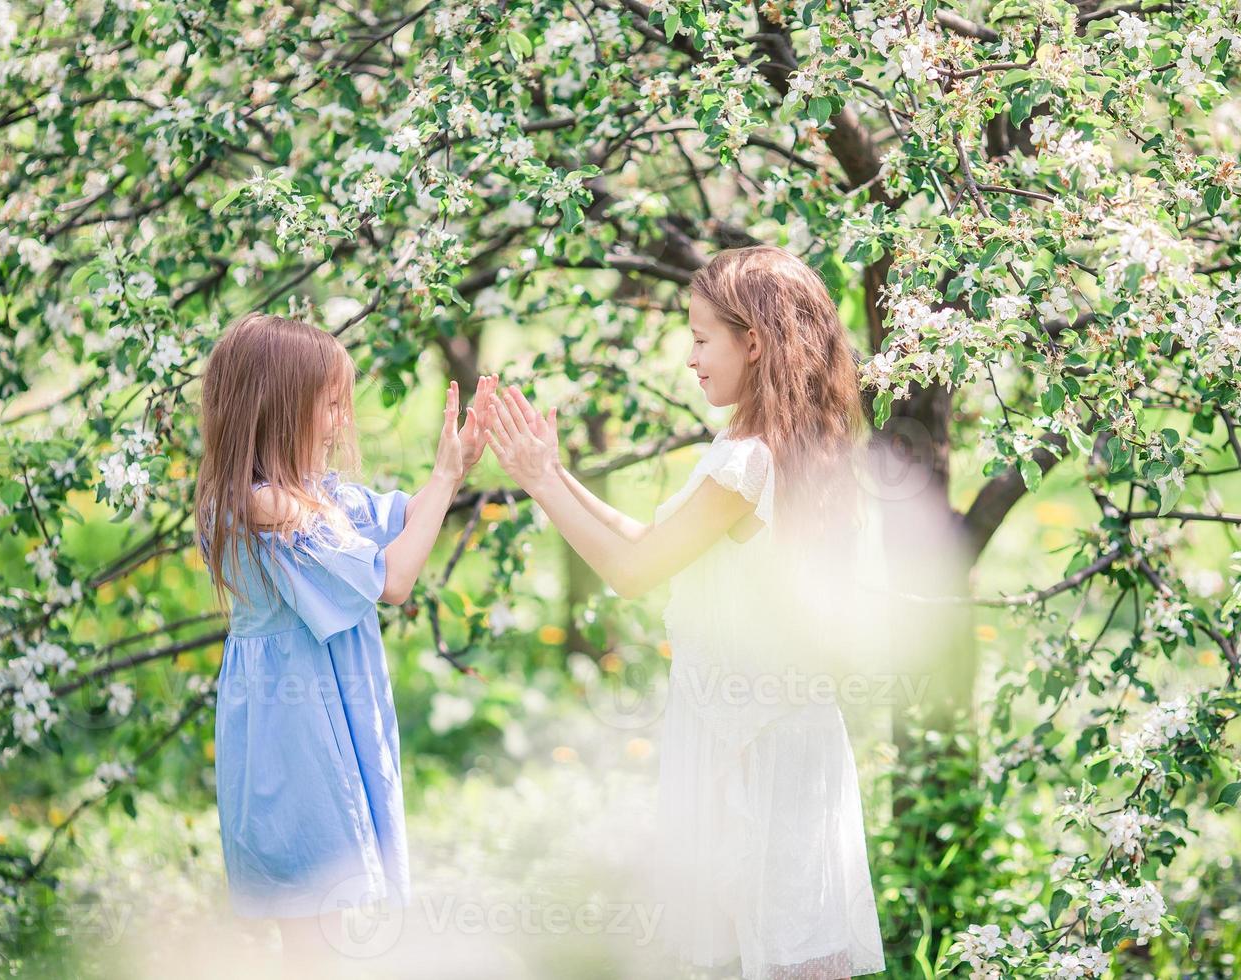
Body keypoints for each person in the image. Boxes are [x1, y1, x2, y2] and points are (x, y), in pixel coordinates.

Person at [484, 245, 886, 980]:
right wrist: (550, 473)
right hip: (759, 724)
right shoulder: (768, 448)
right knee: (770, 942)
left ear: (754, 342)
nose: (691, 358)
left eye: (702, 338)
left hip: (752, 739)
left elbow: (634, 570)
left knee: (774, 943)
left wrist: (541, 484)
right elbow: (653, 542)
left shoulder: (746, 463)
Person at [192, 310, 495, 970]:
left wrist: (453, 466)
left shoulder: (309, 496)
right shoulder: (266, 511)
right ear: (278, 408)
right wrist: (444, 480)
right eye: (327, 406)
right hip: (294, 731)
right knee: (313, 914)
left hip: (316, 717)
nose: (339, 422)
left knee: (326, 917)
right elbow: (391, 579)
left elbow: (397, 524)